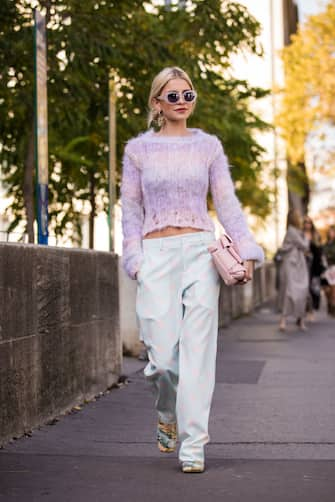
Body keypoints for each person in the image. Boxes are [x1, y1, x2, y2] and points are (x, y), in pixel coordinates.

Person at [121, 66, 264, 474]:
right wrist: (135, 257)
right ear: (156, 104)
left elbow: (227, 203)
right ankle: (167, 410)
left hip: (201, 251)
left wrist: (246, 248)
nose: (183, 102)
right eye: (173, 96)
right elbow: (130, 210)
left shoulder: (209, 147)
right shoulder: (137, 151)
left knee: (199, 352)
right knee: (163, 358)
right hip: (156, 253)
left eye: (188, 95)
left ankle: (193, 445)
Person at [278, 209, 309, 331]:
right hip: (292, 264)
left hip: (299, 264)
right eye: (299, 216)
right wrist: (307, 237)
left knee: (302, 290)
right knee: (290, 291)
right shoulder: (292, 231)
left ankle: (300, 319)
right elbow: (305, 246)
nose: (301, 218)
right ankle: (283, 319)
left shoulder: (295, 231)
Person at [302, 216, 325, 319]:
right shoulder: (300, 235)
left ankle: (311, 311)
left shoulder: (316, 235)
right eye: (305, 222)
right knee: (304, 289)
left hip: (314, 267)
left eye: (309, 222)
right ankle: (306, 311)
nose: (307, 224)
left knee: (313, 289)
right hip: (302, 265)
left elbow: (320, 252)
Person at [322, 225, 335, 316]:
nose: (331, 233)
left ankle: (333, 306)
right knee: (326, 290)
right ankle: (329, 303)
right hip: (326, 268)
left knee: (333, 288)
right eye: (330, 232)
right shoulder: (325, 245)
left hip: (334, 267)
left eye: (333, 231)